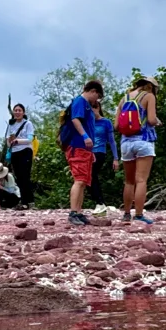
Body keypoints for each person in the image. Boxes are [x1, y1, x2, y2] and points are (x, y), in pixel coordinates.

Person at [62, 78, 104, 226]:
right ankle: (73, 212)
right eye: (97, 97)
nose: (96, 101)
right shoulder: (80, 102)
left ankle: (78, 212)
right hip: (77, 146)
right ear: (92, 91)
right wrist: (85, 136)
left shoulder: (86, 104)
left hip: (85, 149)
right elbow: (75, 119)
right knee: (79, 180)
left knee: (84, 181)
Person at [118, 75, 159, 225]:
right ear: (150, 86)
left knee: (129, 181)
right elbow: (151, 120)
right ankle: (139, 214)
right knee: (141, 180)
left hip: (125, 142)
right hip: (143, 141)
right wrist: (157, 122)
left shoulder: (124, 99)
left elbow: (117, 125)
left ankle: (127, 214)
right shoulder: (149, 97)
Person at [88, 96, 120, 207]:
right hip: (88, 152)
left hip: (99, 151)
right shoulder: (87, 122)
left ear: (99, 108)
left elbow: (111, 141)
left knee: (92, 174)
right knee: (89, 177)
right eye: (91, 108)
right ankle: (99, 201)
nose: (93, 110)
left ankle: (99, 201)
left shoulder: (106, 122)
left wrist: (115, 158)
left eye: (95, 107)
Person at [4, 103, 35, 207]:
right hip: (15, 152)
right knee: (18, 177)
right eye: (15, 110)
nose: (17, 112)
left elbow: (30, 139)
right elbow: (8, 141)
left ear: (23, 112)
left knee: (25, 176)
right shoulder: (10, 125)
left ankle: (28, 201)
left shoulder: (28, 124)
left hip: (25, 150)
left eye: (19, 110)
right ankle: (24, 201)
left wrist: (17, 141)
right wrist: (10, 141)